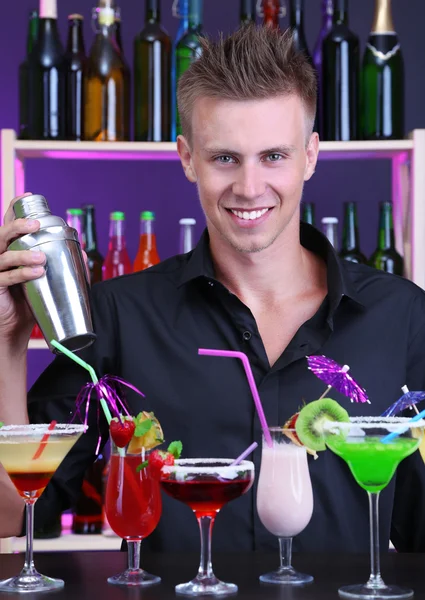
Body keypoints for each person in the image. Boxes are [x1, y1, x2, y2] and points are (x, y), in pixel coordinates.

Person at [1, 24, 425, 554]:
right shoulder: (120, 313)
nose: (249, 187)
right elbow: (12, 516)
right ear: (187, 158)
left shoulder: (402, 315)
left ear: (310, 157)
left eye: (274, 156)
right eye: (225, 158)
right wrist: (7, 343)